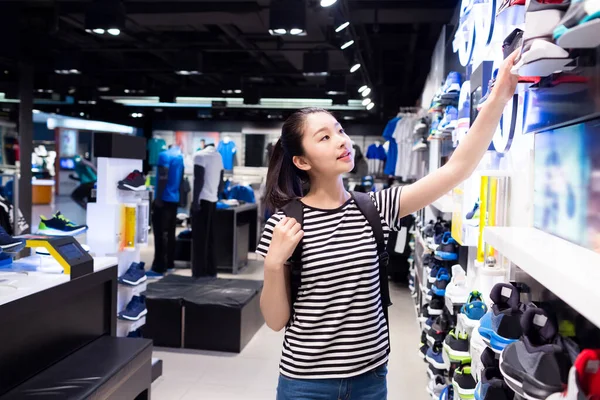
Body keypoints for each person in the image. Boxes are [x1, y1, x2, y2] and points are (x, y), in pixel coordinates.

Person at [256, 52, 520, 400]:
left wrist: (499, 96)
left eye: (339, 130)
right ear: (301, 161)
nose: (341, 140)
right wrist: (275, 264)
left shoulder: (375, 207)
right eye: (324, 137)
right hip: (305, 383)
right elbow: (275, 321)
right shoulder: (286, 223)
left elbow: (456, 169)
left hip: (370, 378)